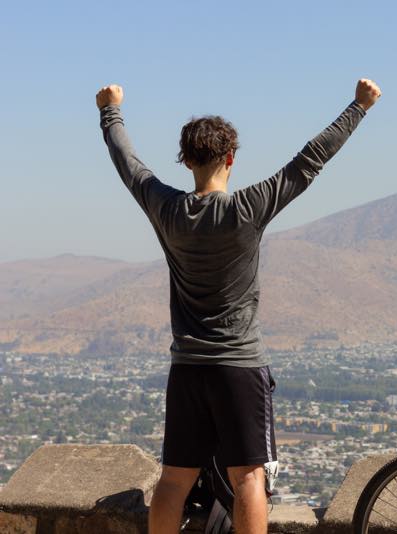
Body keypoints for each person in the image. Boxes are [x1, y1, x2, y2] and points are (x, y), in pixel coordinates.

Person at [96, 79, 381, 534]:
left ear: (186, 160)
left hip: (187, 367)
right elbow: (310, 161)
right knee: (248, 477)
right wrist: (360, 106)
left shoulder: (166, 209)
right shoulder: (248, 208)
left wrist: (110, 111)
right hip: (239, 367)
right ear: (231, 158)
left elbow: (129, 165)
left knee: (173, 479)